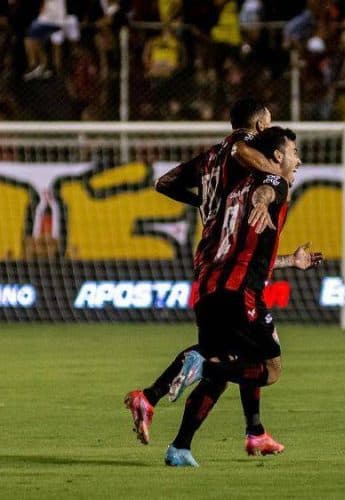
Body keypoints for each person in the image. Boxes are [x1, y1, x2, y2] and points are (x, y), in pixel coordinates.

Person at [124, 100, 320, 453]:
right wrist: (273, 183)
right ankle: (245, 428)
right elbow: (263, 177)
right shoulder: (241, 149)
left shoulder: (212, 163)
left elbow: (164, 182)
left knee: (226, 357)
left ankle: (191, 437)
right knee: (255, 365)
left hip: (211, 258)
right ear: (260, 128)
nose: (297, 160)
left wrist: (207, 206)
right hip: (236, 276)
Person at [164, 126, 303, 467]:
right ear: (278, 157)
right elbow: (267, 192)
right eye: (294, 153)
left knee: (225, 371)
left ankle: (181, 446)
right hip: (242, 292)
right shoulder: (273, 180)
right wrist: (263, 201)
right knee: (268, 370)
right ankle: (202, 365)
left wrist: (290, 260)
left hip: (212, 286)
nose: (299, 161)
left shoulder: (234, 187)